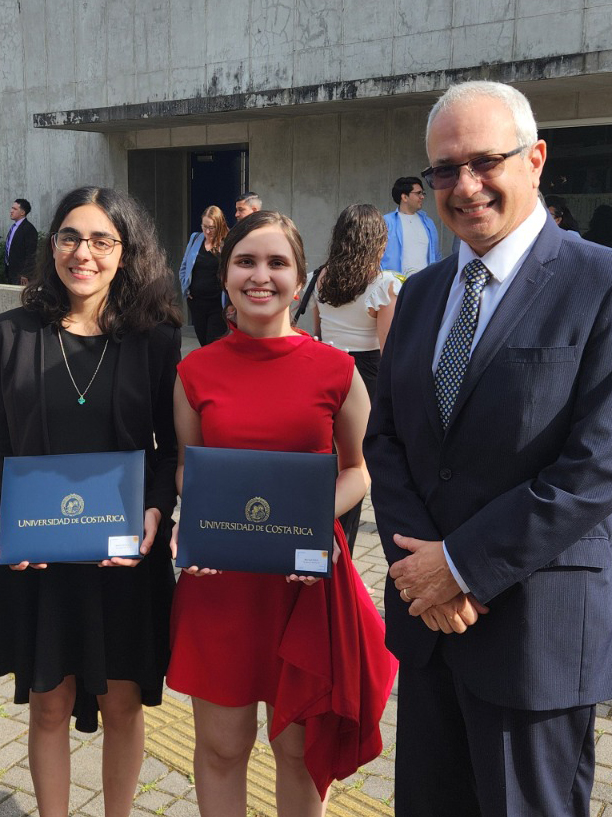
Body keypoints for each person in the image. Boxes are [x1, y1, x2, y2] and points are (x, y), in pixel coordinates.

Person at [364, 80, 612, 816]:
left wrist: (460, 566)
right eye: (443, 169)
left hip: (534, 640)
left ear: (535, 159)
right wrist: (422, 567)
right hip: (430, 627)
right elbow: (389, 437)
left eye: (484, 161)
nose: (463, 186)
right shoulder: (423, 294)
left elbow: (597, 471)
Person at [169, 210, 396, 816]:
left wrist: (310, 521)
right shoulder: (195, 371)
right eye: (246, 261)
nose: (260, 276)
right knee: (221, 748)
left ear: (301, 281)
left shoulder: (337, 370)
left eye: (277, 263)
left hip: (305, 582)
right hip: (223, 586)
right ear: (226, 274)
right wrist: (200, 526)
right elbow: (190, 469)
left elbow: (358, 470)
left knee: (297, 751)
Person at [0, 186, 182, 817]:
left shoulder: (156, 339)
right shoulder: (13, 331)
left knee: (123, 704)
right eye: (69, 237)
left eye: (100, 240)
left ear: (125, 252)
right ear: (50, 244)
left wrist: (154, 510)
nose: (82, 253)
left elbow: (169, 450)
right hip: (41, 550)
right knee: (49, 701)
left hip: (123, 550)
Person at [311, 203, 399, 554]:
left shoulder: (321, 277)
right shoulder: (384, 285)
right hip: (366, 377)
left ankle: (317, 536)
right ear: (377, 241)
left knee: (327, 458)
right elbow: (388, 350)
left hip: (324, 369)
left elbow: (318, 331)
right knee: (356, 466)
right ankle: (340, 548)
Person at [177, 205, 229, 345]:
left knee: (213, 343)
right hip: (196, 302)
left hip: (218, 304)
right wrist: (185, 288)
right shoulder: (195, 238)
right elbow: (184, 266)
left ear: (219, 225)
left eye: (211, 227)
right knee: (202, 341)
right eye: (204, 226)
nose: (207, 231)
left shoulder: (227, 243)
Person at [381, 177, 440, 276]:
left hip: (424, 285)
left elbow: (436, 256)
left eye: (423, 193)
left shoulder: (428, 223)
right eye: (418, 193)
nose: (422, 197)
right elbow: (375, 257)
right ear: (404, 197)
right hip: (394, 287)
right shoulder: (386, 222)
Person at [5, 198, 38, 283]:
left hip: (21, 275)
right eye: (12, 208)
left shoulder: (29, 229)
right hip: (10, 272)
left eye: (15, 209)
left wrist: (26, 274)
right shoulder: (14, 228)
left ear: (23, 213)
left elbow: (31, 254)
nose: (11, 211)